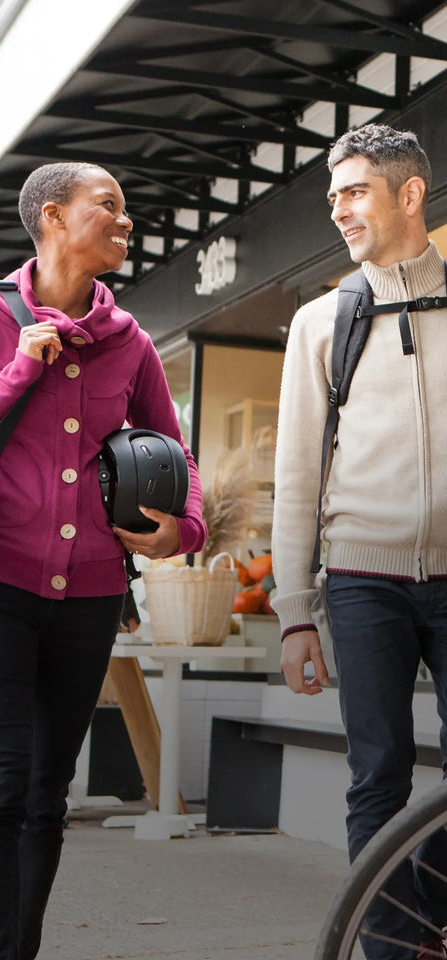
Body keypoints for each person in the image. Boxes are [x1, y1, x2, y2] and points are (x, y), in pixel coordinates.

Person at [0, 161, 207, 960]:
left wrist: (185, 530)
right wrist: (13, 374)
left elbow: (178, 451)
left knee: (45, 797)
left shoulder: (128, 340)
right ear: (53, 217)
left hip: (92, 594)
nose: (125, 221)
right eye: (110, 206)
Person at [271, 123, 447, 960]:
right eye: (333, 195)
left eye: (355, 191)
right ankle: (390, 946)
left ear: (409, 193)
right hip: (361, 580)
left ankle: (429, 922)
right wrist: (294, 612)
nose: (339, 210)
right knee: (378, 775)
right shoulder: (320, 323)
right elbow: (297, 474)